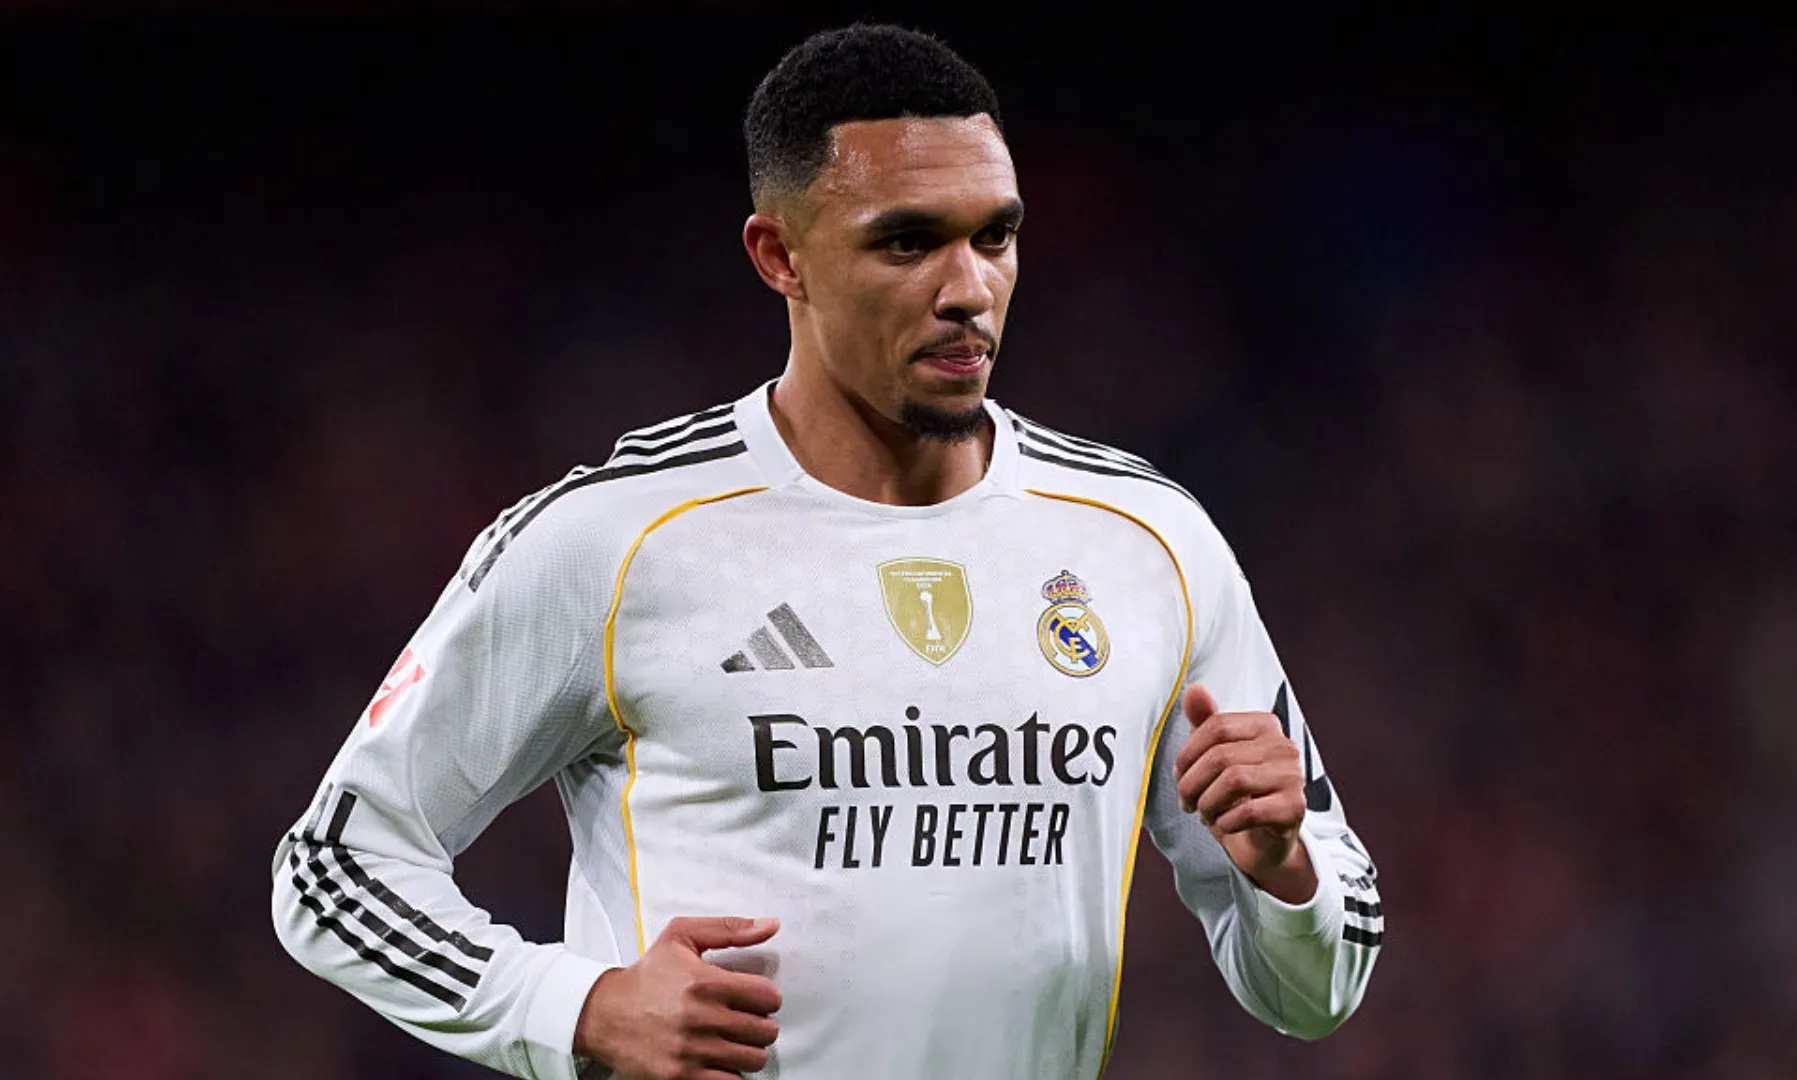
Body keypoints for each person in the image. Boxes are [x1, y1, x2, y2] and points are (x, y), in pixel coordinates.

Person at [270, 23, 1382, 1080]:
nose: (969, 289)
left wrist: (1284, 871)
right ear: (779, 256)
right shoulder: (614, 541)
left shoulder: (1149, 542)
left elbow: (1318, 988)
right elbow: (334, 867)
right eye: (908, 241)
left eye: (995, 235)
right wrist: (579, 1009)